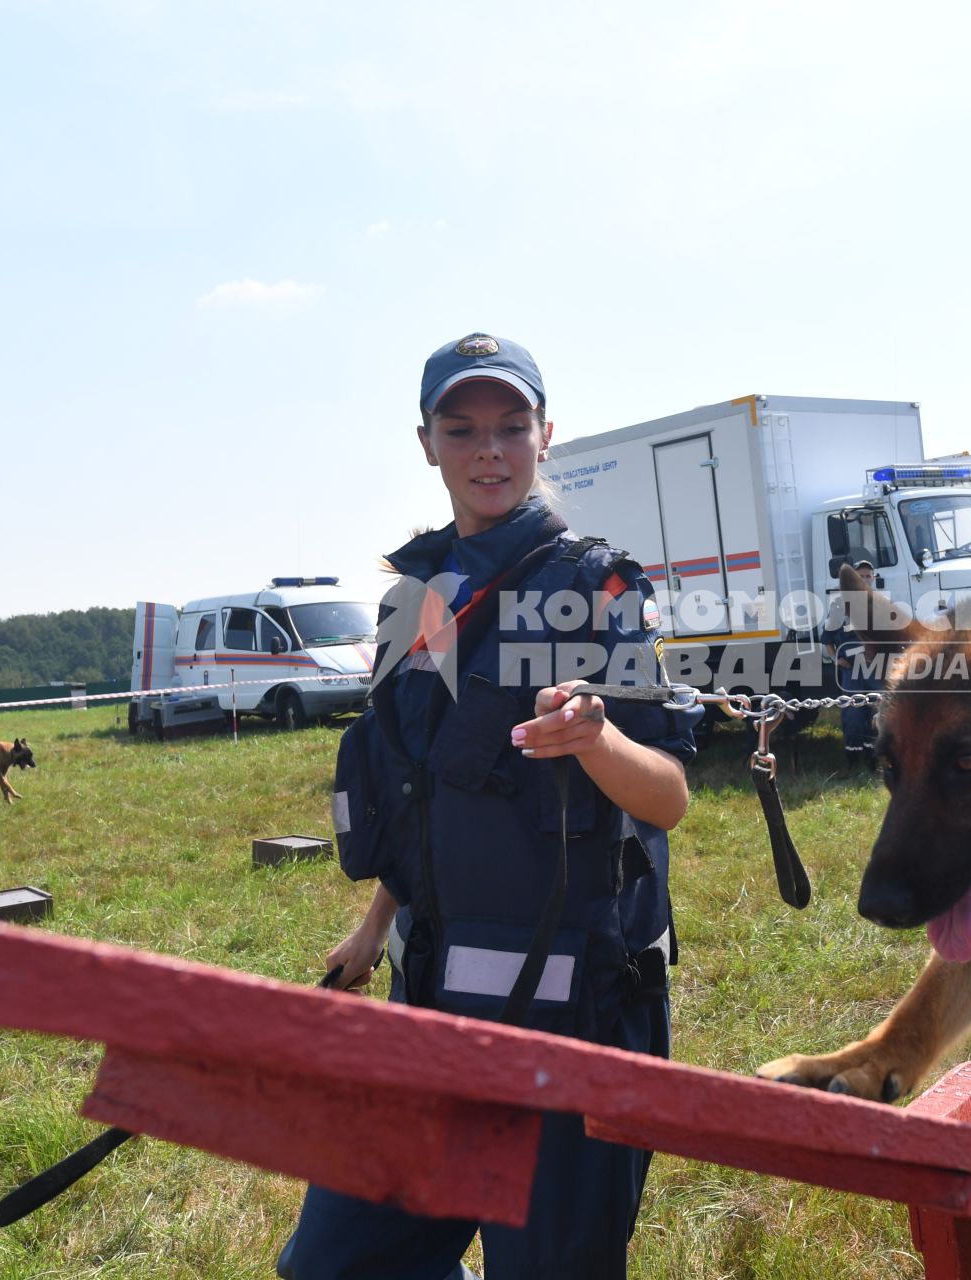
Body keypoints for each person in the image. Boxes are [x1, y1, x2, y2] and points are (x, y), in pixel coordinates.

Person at [277, 334, 698, 1280]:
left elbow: (668, 797)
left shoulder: (601, 588)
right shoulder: (413, 600)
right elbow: (420, 791)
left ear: (547, 436)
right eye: (461, 429)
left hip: (576, 1011)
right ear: (426, 443)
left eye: (512, 426)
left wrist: (596, 739)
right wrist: (376, 919)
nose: (490, 450)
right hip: (428, 1001)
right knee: (335, 1267)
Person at [820, 560, 884, 769]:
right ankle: (853, 760)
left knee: (876, 712)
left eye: (868, 576)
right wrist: (835, 658)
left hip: (874, 669)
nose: (865, 579)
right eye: (861, 575)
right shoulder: (840, 606)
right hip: (851, 671)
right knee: (853, 714)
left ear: (873, 579)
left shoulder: (881, 604)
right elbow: (827, 638)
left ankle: (873, 757)